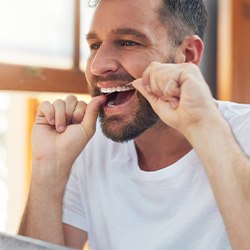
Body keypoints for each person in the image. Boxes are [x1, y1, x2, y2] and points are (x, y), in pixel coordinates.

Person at [18, 0, 250, 249]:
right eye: (95, 45)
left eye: (128, 42)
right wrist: (48, 169)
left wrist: (203, 127)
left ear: (188, 55)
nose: (98, 65)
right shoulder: (87, 148)